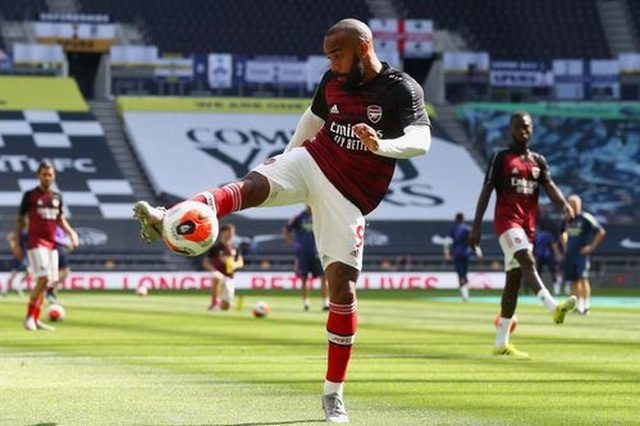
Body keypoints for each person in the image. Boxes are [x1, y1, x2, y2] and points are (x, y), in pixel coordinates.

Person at [133, 18, 431, 423]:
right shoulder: (332, 80)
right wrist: (286, 160)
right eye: (328, 56)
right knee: (251, 184)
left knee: (341, 290)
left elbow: (421, 140)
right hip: (313, 161)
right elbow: (312, 120)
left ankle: (333, 394)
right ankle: (169, 215)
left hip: (349, 196)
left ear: (363, 48)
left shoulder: (401, 89)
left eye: (337, 54)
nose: (332, 63)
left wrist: (384, 144)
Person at [469, 111, 577, 359]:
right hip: (507, 223)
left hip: (527, 227)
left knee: (513, 282)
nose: (523, 131)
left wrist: (563, 204)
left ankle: (501, 342)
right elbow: (486, 191)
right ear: (511, 130)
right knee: (528, 259)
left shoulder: (538, 160)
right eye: (519, 127)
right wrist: (476, 226)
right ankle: (553, 306)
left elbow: (550, 186)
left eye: (527, 127)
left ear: (532, 130)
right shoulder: (500, 157)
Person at [16, 160, 79, 331]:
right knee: (42, 279)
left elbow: (60, 219)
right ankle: (29, 317)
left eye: (50, 174)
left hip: (52, 245)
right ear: (38, 175)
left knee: (47, 282)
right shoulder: (30, 195)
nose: (47, 177)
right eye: (44, 174)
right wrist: (16, 242)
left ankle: (36, 319)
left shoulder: (57, 197)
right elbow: (21, 219)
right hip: (36, 243)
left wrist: (71, 233)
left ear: (54, 175)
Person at [560, 194, 606, 315]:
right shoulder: (567, 219)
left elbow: (601, 232)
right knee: (574, 280)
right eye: (570, 203)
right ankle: (577, 306)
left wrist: (591, 247)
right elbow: (562, 232)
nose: (572, 206)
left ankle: (585, 306)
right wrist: (564, 239)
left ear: (579, 205)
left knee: (583, 278)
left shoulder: (586, 218)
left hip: (581, 255)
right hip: (570, 254)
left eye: (574, 204)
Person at [283, 206, 329, 311]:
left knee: (324, 276)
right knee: (304, 277)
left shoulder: (320, 215)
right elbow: (287, 229)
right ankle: (306, 303)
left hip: (317, 251)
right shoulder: (298, 217)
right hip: (303, 252)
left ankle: (325, 302)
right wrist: (293, 244)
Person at [203, 223, 243, 311]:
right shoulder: (215, 248)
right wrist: (214, 270)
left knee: (226, 307)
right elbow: (206, 263)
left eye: (232, 232)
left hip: (230, 276)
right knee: (217, 277)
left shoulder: (235, 248)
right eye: (229, 232)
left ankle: (218, 305)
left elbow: (240, 262)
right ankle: (214, 303)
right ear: (222, 233)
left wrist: (234, 265)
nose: (231, 234)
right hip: (218, 274)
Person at [443, 212, 473, 301]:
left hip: (457, 254)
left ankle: (464, 294)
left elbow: (447, 242)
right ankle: (466, 293)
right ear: (463, 219)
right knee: (464, 272)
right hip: (466, 253)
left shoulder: (453, 229)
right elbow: (474, 240)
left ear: (456, 219)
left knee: (460, 274)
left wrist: (446, 252)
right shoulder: (468, 229)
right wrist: (478, 251)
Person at [45, 225, 74, 304]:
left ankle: (52, 297)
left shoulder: (58, 226)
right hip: (56, 248)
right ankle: (49, 288)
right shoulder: (52, 224)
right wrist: (66, 243)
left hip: (56, 248)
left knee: (56, 274)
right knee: (65, 272)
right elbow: (52, 237)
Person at [533, 226, 563, 296]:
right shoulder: (549, 235)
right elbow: (554, 245)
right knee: (553, 273)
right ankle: (556, 291)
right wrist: (557, 254)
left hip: (539, 256)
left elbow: (534, 246)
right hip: (548, 256)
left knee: (537, 274)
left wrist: (534, 256)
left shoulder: (537, 235)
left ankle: (537, 291)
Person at [4, 230, 29, 297]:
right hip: (18, 259)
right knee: (13, 275)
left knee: (28, 272)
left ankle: (18, 286)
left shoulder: (23, 237)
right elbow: (13, 249)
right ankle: (5, 291)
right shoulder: (15, 241)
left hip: (23, 258)